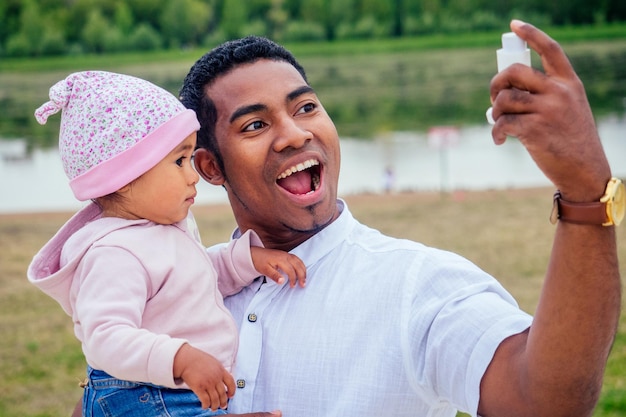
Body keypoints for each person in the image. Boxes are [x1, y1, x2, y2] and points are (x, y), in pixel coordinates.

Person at [175, 19, 622, 417]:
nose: (295, 135)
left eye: (305, 107)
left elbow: (544, 402)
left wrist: (585, 193)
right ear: (211, 168)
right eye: (254, 125)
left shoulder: (416, 285)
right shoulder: (174, 290)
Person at [27, 71, 306, 417]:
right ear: (125, 177)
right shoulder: (114, 253)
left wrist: (247, 260)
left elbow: (193, 280)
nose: (193, 175)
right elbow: (106, 338)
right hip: (144, 395)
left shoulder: (159, 232)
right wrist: (180, 358)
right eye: (179, 161)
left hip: (169, 393)